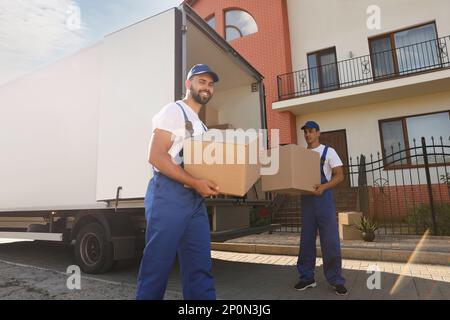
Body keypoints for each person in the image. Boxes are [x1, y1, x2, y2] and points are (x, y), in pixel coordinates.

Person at [136, 64, 220, 300]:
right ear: (188, 84)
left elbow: (202, 167)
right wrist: (195, 182)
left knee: (200, 266)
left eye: (210, 84)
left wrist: (209, 183)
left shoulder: (202, 126)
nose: (206, 87)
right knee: (158, 265)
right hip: (168, 195)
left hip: (194, 201)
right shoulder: (174, 111)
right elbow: (156, 156)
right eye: (201, 81)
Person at [294, 121, 348, 296]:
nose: (307, 135)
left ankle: (336, 280)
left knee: (330, 241)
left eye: (310, 131)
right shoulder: (301, 154)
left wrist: (324, 187)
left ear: (318, 133)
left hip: (323, 200)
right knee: (306, 240)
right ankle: (306, 277)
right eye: (305, 132)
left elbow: (340, 175)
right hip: (307, 201)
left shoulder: (328, 151)